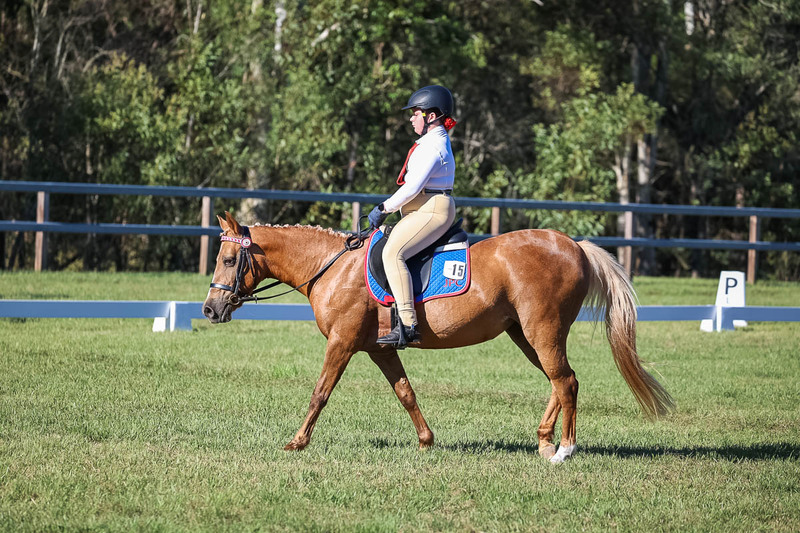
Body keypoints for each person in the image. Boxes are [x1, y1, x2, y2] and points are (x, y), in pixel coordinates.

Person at [368, 84, 458, 347]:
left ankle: (408, 325)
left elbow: (412, 188)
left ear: (431, 116)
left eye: (415, 113)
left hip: (431, 209)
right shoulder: (430, 141)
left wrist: (383, 209)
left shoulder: (433, 146)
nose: (411, 118)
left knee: (392, 253)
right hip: (422, 207)